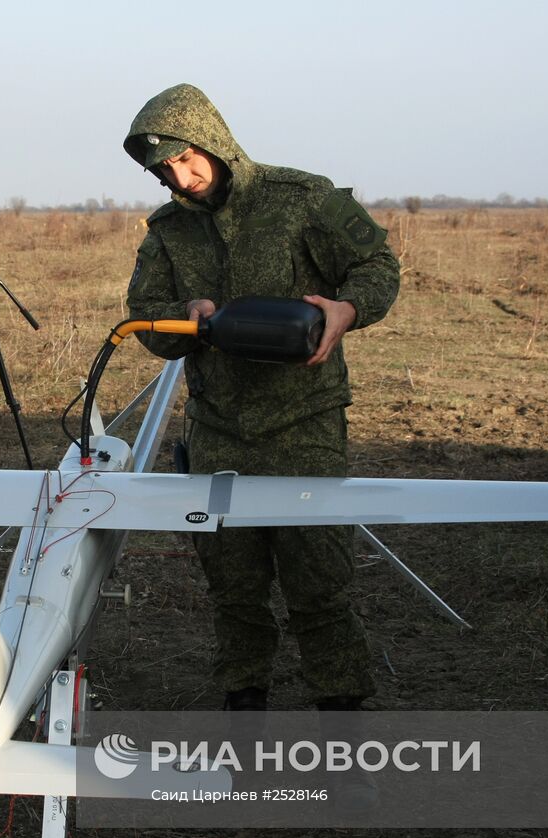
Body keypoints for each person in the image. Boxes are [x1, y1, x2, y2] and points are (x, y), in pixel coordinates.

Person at [123, 83, 400, 715]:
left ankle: (341, 717)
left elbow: (379, 267)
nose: (181, 176)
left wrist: (346, 309)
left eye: (189, 158)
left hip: (305, 425)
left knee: (319, 586)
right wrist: (181, 318)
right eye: (163, 168)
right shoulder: (167, 231)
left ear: (215, 140)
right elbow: (143, 318)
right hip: (219, 429)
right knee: (235, 588)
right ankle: (244, 710)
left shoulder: (302, 200)